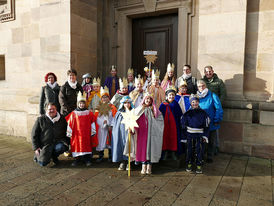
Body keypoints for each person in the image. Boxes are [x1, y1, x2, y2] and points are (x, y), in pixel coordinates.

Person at [134, 93, 164, 174]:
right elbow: (134, 119)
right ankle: (143, 165)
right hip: (142, 133)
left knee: (151, 148)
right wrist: (133, 128)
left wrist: (156, 128)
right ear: (144, 100)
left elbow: (160, 120)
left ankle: (149, 166)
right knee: (143, 148)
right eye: (146, 99)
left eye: (150, 99)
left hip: (151, 133)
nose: (148, 100)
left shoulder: (154, 110)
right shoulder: (139, 109)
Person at [66, 92, 97, 166]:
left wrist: (93, 131)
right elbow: (70, 123)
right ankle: (77, 159)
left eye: (83, 103)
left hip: (86, 133)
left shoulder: (89, 113)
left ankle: (87, 160)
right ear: (78, 104)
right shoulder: (73, 113)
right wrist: (69, 132)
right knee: (77, 146)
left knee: (86, 146)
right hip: (76, 134)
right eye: (80, 103)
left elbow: (92, 122)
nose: (82, 105)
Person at [181, 94, 210, 174]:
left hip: (199, 135)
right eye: (193, 102)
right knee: (189, 150)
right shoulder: (187, 113)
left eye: (196, 102)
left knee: (199, 150)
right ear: (190, 103)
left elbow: (206, 125)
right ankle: (189, 163)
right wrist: (184, 137)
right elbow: (183, 125)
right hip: (189, 134)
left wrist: (205, 136)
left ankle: (199, 164)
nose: (194, 104)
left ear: (198, 102)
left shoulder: (203, 113)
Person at [196, 80, 223, 163]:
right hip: (200, 124)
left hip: (211, 123)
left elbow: (218, 108)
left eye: (203, 85)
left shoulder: (212, 95)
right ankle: (202, 155)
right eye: (199, 86)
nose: (201, 87)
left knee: (211, 141)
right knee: (202, 141)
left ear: (206, 86)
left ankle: (210, 156)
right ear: (197, 87)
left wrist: (216, 119)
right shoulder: (196, 96)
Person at [202, 66, 226, 155]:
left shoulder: (219, 82)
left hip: (214, 110)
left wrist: (217, 105)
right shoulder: (201, 81)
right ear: (204, 73)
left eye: (210, 71)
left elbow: (223, 95)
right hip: (204, 109)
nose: (208, 73)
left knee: (214, 133)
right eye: (206, 72)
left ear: (213, 71)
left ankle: (214, 149)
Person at [94, 86, 117, 162]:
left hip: (109, 127)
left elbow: (114, 117)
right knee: (101, 141)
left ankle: (110, 155)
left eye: (106, 97)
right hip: (101, 128)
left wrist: (110, 124)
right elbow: (96, 117)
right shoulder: (98, 107)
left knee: (109, 141)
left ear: (108, 98)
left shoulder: (112, 107)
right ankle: (101, 155)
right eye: (103, 97)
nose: (104, 99)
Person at [159, 86, 183, 160]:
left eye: (173, 95)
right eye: (170, 95)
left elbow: (180, 114)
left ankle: (173, 153)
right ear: (166, 96)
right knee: (165, 138)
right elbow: (159, 115)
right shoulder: (163, 105)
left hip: (174, 125)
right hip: (165, 125)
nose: (171, 96)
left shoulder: (176, 104)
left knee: (173, 138)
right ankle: (165, 153)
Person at [112, 96, 135, 171]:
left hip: (129, 132)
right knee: (121, 145)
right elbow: (116, 124)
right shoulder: (119, 113)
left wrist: (132, 129)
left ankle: (129, 162)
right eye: (125, 103)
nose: (127, 104)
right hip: (120, 132)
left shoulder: (133, 112)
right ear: (122, 104)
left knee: (129, 146)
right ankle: (122, 161)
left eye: (128, 103)